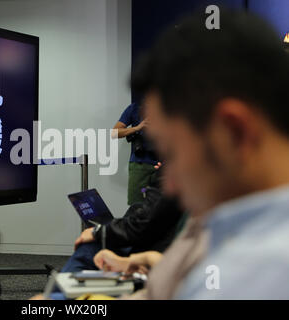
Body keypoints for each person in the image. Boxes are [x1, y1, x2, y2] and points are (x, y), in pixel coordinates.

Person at [114, 8, 289, 299]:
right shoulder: (243, 227)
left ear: (234, 132)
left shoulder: (260, 269)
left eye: (174, 152)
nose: (169, 184)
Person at [113, 102, 159, 205]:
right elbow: (114, 133)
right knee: (136, 207)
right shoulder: (135, 108)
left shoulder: (170, 108)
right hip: (139, 164)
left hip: (164, 165)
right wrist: (137, 128)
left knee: (163, 210)